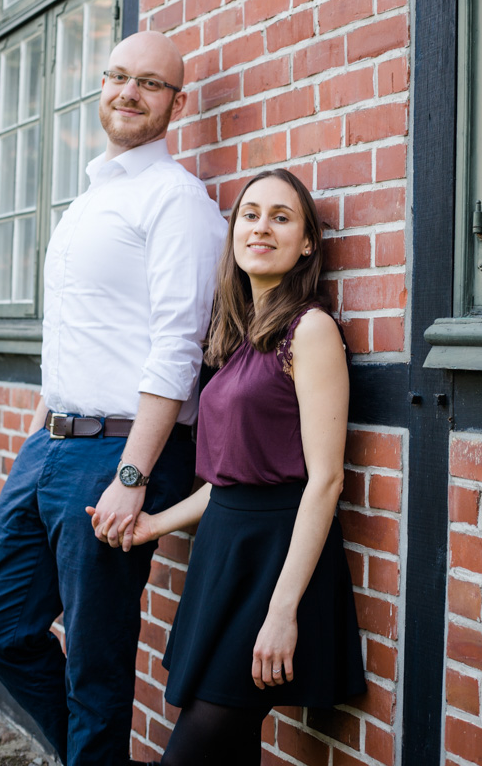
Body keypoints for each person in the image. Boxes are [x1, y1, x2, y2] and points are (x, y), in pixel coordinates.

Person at [0, 30, 227, 766]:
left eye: (150, 83)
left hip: (118, 453)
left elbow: (177, 346)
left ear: (174, 104)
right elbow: (84, 334)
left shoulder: (175, 201)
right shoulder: (92, 196)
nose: (128, 92)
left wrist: (132, 477)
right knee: (1, 630)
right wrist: (41, 430)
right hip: (49, 445)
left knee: (95, 660)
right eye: (118, 76)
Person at [93, 168, 365, 766]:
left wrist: (282, 609)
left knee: (192, 751)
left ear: (307, 243)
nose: (261, 228)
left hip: (275, 561)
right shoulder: (238, 336)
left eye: (281, 217)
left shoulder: (310, 330)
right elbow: (227, 483)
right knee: (230, 749)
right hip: (225, 554)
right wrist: (154, 525)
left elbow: (324, 481)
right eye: (250, 214)